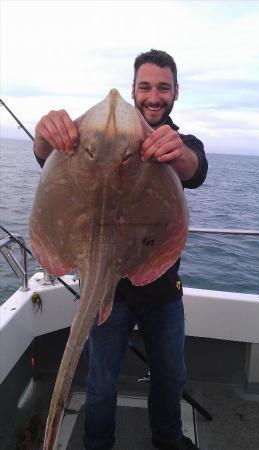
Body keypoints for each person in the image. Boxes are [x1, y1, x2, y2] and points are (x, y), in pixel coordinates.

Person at [34, 49, 208, 450]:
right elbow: (45, 154)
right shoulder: (87, 141)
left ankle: (167, 439)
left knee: (171, 375)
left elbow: (193, 167)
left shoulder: (180, 141)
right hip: (102, 285)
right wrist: (47, 134)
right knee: (100, 381)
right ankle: (98, 444)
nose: (153, 95)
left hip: (161, 287)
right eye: (145, 86)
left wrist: (176, 150)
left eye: (163, 87)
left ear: (175, 92)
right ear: (134, 90)